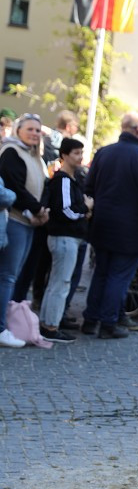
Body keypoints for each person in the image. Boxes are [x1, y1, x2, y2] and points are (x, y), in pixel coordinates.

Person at [82, 111, 138, 339]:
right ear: (137, 130)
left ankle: (91, 320)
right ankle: (108, 323)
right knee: (118, 277)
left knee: (101, 273)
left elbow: (88, 188)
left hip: (102, 225)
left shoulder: (103, 153)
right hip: (130, 230)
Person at [0, 113, 49, 348]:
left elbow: (41, 185)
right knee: (7, 276)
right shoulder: (11, 151)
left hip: (29, 221)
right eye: (30, 129)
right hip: (16, 221)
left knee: (14, 275)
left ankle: (8, 322)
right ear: (18, 130)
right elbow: (14, 186)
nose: (34, 134)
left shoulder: (34, 155)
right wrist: (37, 209)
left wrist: (41, 211)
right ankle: (1, 328)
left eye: (38, 130)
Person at [38, 137, 92, 343]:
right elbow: (66, 210)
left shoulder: (73, 179)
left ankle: (47, 323)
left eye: (81, 152)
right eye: (76, 153)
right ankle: (50, 326)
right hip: (64, 237)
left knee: (57, 282)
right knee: (60, 283)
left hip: (68, 237)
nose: (80, 157)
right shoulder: (63, 180)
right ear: (64, 155)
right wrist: (86, 209)